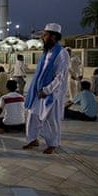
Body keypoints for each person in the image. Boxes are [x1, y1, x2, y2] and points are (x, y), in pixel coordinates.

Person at [23, 23, 69, 154]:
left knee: (51, 120)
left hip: (51, 93)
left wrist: (47, 90)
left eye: (45, 35)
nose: (42, 37)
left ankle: (53, 144)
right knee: (32, 114)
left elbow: (60, 77)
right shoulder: (46, 52)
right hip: (38, 91)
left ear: (53, 37)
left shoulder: (62, 53)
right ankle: (32, 139)